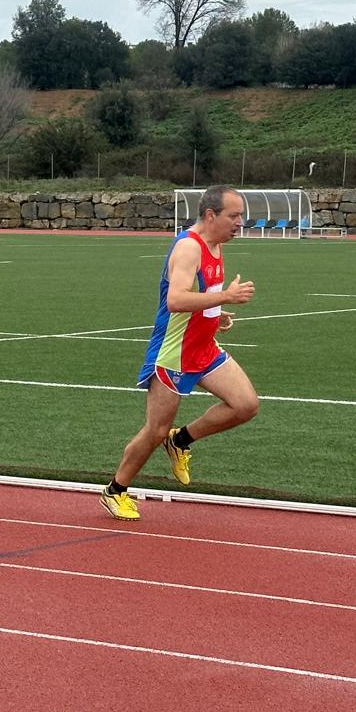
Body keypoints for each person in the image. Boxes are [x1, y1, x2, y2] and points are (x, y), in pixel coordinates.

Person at [100, 184, 259, 520]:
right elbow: (176, 300)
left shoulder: (216, 245)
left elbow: (202, 295)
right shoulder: (189, 248)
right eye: (234, 215)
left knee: (245, 405)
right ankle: (116, 490)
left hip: (203, 348)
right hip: (173, 353)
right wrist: (226, 298)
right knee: (154, 429)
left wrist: (217, 316)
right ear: (210, 214)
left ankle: (181, 440)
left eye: (241, 216)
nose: (240, 222)